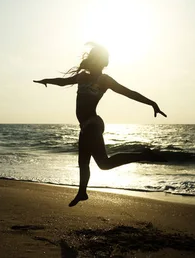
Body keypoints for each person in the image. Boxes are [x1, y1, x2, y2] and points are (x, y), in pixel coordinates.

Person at [33, 42, 167, 207]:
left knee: (101, 163)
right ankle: (82, 192)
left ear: (102, 62)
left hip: (93, 124)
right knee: (89, 162)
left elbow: (128, 93)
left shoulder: (104, 80)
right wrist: (47, 80)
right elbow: (63, 81)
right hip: (86, 126)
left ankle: (142, 154)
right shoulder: (82, 76)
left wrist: (151, 103)